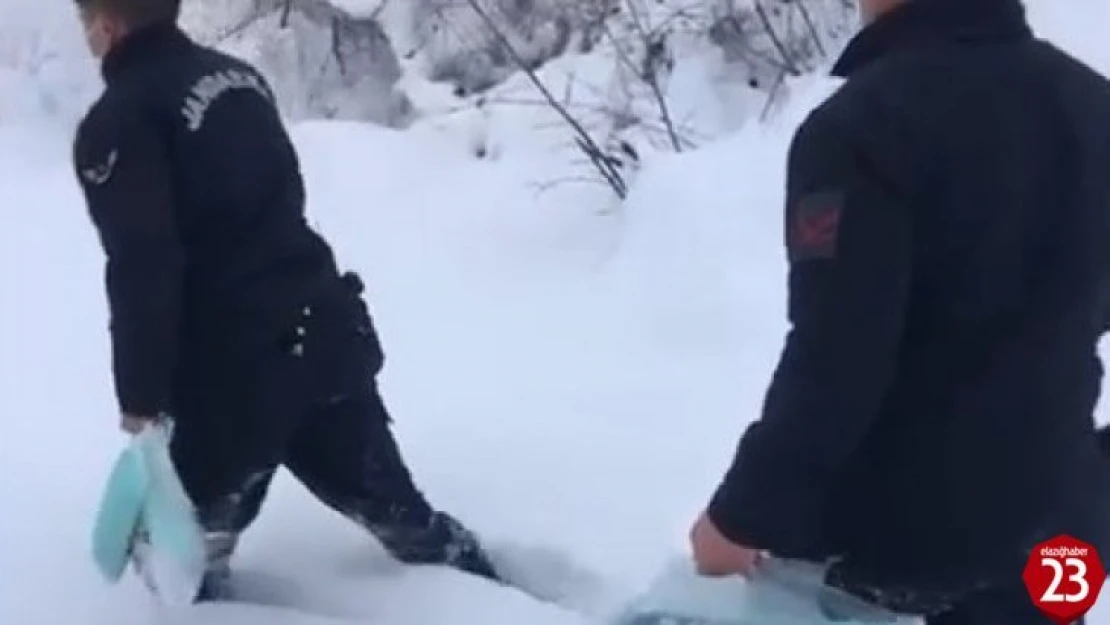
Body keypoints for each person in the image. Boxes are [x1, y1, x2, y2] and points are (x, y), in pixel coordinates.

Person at [688, 0, 1110, 623]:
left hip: (889, 555)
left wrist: (741, 517)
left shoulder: (864, 126)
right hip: (1059, 541)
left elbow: (839, 358)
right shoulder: (1095, 105)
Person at [71, 0, 502, 601]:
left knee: (184, 567)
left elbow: (145, 264)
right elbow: (278, 195)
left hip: (235, 377)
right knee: (409, 523)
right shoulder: (237, 78)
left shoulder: (119, 121)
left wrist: (140, 397)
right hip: (322, 327)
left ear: (106, 27)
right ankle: (516, 604)